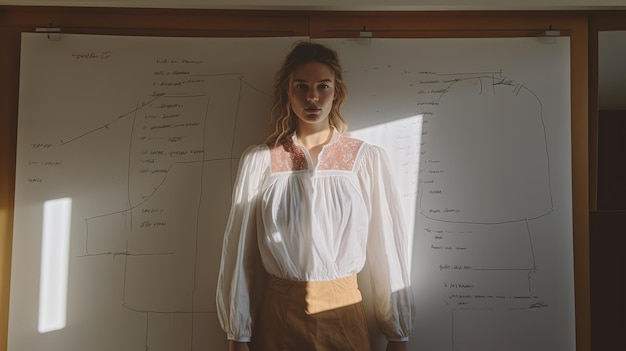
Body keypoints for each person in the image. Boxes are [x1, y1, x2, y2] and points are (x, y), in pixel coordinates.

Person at [216, 41, 413, 351]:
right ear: (287, 92)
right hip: (279, 317)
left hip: (345, 317)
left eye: (323, 86)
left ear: (336, 92)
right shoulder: (260, 162)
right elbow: (241, 256)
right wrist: (237, 333)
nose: (312, 97)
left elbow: (385, 247)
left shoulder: (365, 160)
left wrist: (397, 332)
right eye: (302, 86)